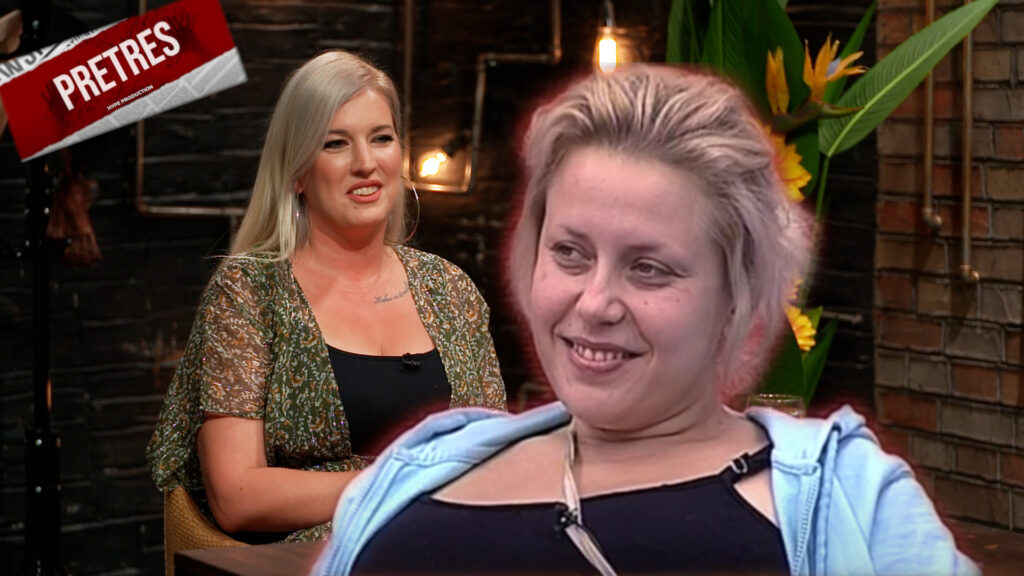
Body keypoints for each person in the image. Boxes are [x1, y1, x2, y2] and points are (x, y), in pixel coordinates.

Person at [313, 65, 979, 575]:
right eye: (570, 253)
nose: (595, 303)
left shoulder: (848, 496)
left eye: (649, 269)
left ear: (737, 294)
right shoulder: (419, 467)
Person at [146, 50, 506, 543]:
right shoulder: (250, 292)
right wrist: (394, 484)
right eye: (336, 143)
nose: (366, 164)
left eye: (381, 138)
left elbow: (495, 453)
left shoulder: (450, 288)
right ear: (297, 172)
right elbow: (236, 496)